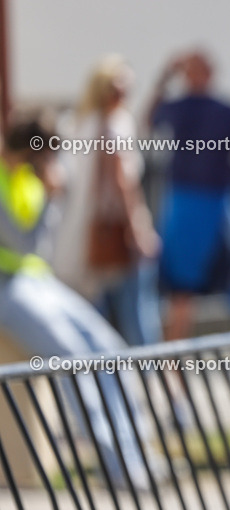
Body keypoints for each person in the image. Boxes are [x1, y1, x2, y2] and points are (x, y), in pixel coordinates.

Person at [0, 113, 148, 488]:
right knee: (75, 361)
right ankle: (117, 467)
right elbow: (24, 242)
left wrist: (51, 198)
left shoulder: (27, 178)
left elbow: (40, 249)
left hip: (34, 280)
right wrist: (53, 199)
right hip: (7, 288)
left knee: (109, 348)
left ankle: (139, 452)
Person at [147, 50, 230, 339]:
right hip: (187, 205)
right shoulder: (179, 108)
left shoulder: (228, 112)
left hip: (216, 205)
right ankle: (172, 371)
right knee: (182, 292)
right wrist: (164, 76)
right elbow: (150, 121)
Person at [54, 54, 162, 346]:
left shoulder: (78, 123)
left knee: (93, 312)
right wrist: (139, 229)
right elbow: (123, 183)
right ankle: (148, 381)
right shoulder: (113, 125)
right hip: (115, 230)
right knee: (136, 312)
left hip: (83, 233)